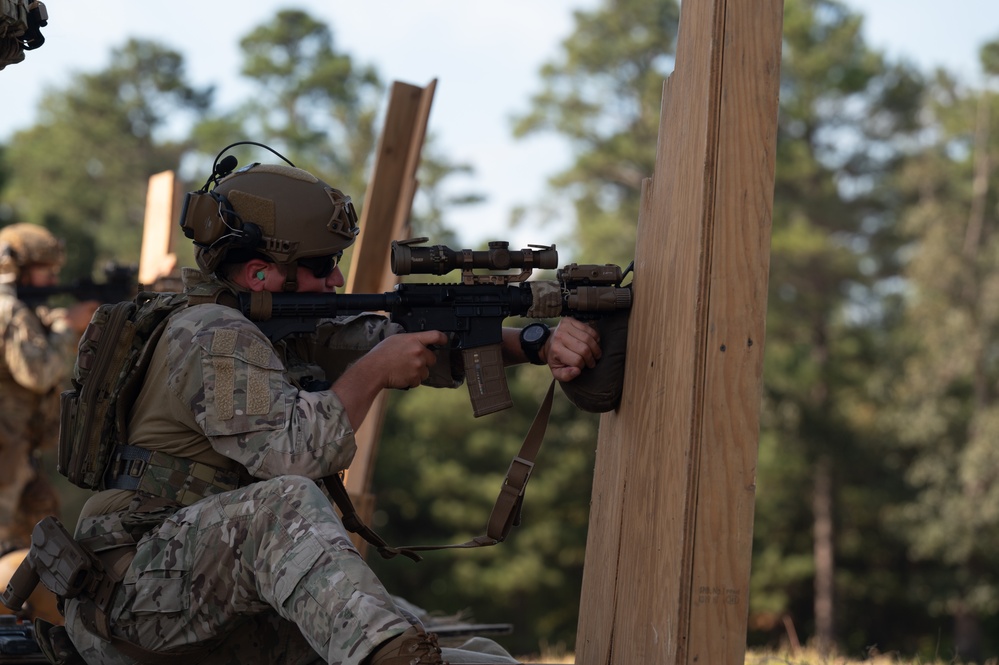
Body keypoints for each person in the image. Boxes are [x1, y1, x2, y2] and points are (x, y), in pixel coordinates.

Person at [60, 158, 609, 665]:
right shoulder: (212, 337)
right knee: (287, 503)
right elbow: (291, 455)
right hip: (138, 597)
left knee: (478, 656)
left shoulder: (270, 330)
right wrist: (373, 373)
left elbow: (395, 338)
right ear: (257, 273)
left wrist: (535, 342)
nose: (338, 281)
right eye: (322, 265)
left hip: (208, 597)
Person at [0, 223, 98, 559]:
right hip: (5, 456)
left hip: (17, 451)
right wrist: (67, 328)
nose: (54, 282)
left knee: (37, 546)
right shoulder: (8, 309)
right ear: (19, 269)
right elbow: (37, 372)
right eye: (47, 273)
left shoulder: (21, 310)